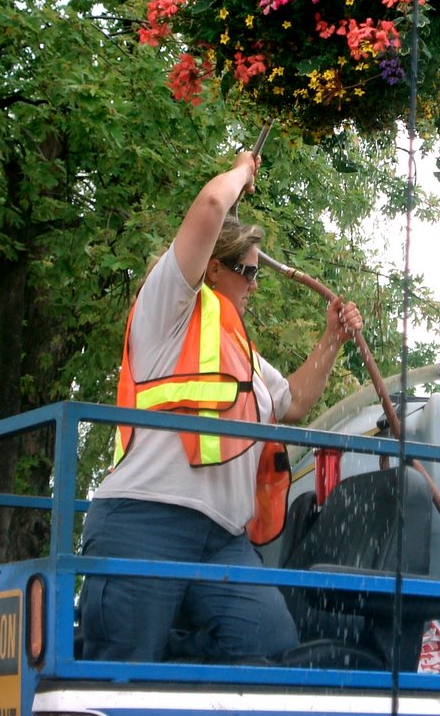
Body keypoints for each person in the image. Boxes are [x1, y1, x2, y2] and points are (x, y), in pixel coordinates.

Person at [79, 151, 364, 663]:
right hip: (145, 521)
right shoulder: (166, 310)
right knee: (123, 674)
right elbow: (212, 203)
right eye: (246, 272)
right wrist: (241, 171)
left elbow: (295, 402)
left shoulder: (241, 350)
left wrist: (331, 339)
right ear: (212, 268)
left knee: (267, 645)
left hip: (223, 539)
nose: (255, 284)